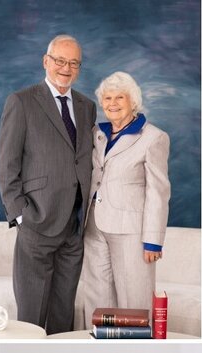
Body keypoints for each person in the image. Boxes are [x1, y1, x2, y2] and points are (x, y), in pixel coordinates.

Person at [0, 34, 95, 333]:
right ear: (46, 61)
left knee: (63, 319)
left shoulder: (87, 106)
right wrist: (21, 215)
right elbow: (7, 164)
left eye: (73, 63)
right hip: (37, 223)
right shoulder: (22, 102)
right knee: (31, 319)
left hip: (74, 228)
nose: (66, 68)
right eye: (60, 61)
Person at [81, 71, 170, 313]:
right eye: (107, 98)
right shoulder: (97, 134)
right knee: (97, 298)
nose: (113, 103)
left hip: (131, 231)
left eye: (120, 97)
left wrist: (153, 240)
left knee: (134, 299)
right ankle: (97, 337)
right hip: (94, 226)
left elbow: (158, 192)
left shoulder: (153, 137)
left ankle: (136, 340)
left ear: (133, 101)